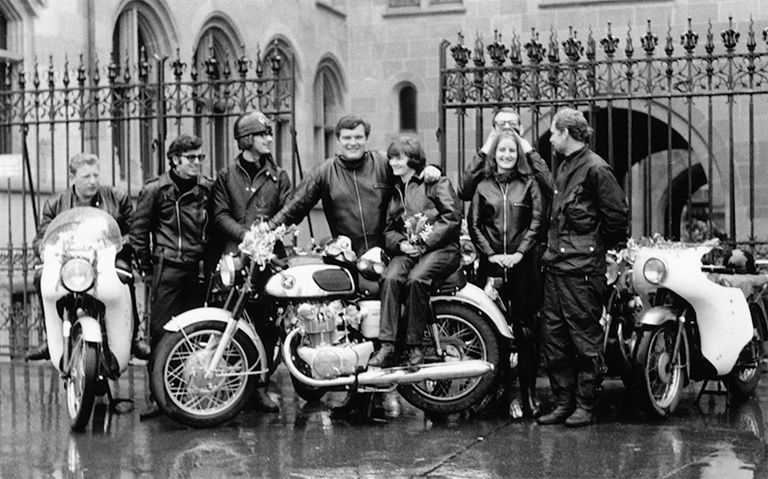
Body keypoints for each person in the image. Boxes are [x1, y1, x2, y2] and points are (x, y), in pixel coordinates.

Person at [268, 115, 440, 417]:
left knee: (382, 316)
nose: (353, 143)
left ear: (366, 137)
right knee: (350, 324)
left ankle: (383, 388)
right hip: (348, 258)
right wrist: (269, 231)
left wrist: (429, 171)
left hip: (384, 250)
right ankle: (359, 395)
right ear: (338, 140)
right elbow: (296, 206)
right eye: (347, 138)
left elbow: (411, 171)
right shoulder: (324, 172)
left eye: (358, 137)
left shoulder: (383, 163)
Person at [536, 108, 628, 428]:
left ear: (566, 133)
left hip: (582, 270)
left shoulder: (596, 169)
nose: (550, 138)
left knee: (585, 340)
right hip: (557, 266)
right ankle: (564, 403)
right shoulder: (565, 167)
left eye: (553, 132)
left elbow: (617, 218)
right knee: (555, 339)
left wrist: (595, 247)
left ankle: (585, 405)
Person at [25, 153, 149, 361]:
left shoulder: (117, 198)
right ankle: (51, 339)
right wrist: (44, 249)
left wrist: (123, 246)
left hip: (107, 258)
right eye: (86, 176)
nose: (92, 181)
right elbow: (42, 237)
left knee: (124, 275)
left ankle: (134, 337)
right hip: (70, 261)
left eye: (95, 175)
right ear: (72, 178)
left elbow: (133, 231)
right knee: (40, 278)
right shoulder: (56, 204)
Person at [211, 110, 292, 413]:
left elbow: (287, 211)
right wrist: (246, 236)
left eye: (269, 133)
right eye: (262, 134)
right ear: (246, 139)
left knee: (267, 325)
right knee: (231, 321)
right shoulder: (225, 175)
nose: (269, 138)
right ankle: (235, 384)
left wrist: (268, 233)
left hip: (269, 259)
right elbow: (219, 214)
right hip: (236, 258)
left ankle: (259, 384)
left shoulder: (279, 176)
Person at [130, 133, 214, 418]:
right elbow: (139, 231)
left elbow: (215, 228)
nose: (197, 163)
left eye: (200, 158)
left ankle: (182, 392)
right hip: (167, 268)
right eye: (191, 158)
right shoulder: (156, 189)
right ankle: (158, 396)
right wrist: (146, 268)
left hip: (198, 268)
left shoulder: (207, 189)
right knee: (162, 333)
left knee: (192, 334)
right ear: (175, 160)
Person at [468, 130, 544, 419]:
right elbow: (474, 224)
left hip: (522, 266)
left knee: (525, 332)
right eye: (502, 151)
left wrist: (520, 253)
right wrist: (491, 254)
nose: (507, 156)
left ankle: (528, 394)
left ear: (519, 154)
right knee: (491, 330)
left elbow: (537, 221)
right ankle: (493, 391)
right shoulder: (482, 186)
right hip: (491, 266)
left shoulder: (529, 184)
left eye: (512, 151)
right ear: (494, 154)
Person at [368, 136, 462, 368]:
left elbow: (452, 217)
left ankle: (414, 346)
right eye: (391, 158)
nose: (393, 163)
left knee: (416, 279)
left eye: (398, 158)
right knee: (389, 278)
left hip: (441, 249)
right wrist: (401, 244)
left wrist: (425, 241)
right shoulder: (396, 191)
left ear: (413, 158)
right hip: (409, 251)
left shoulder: (435, 182)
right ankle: (387, 345)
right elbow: (389, 230)